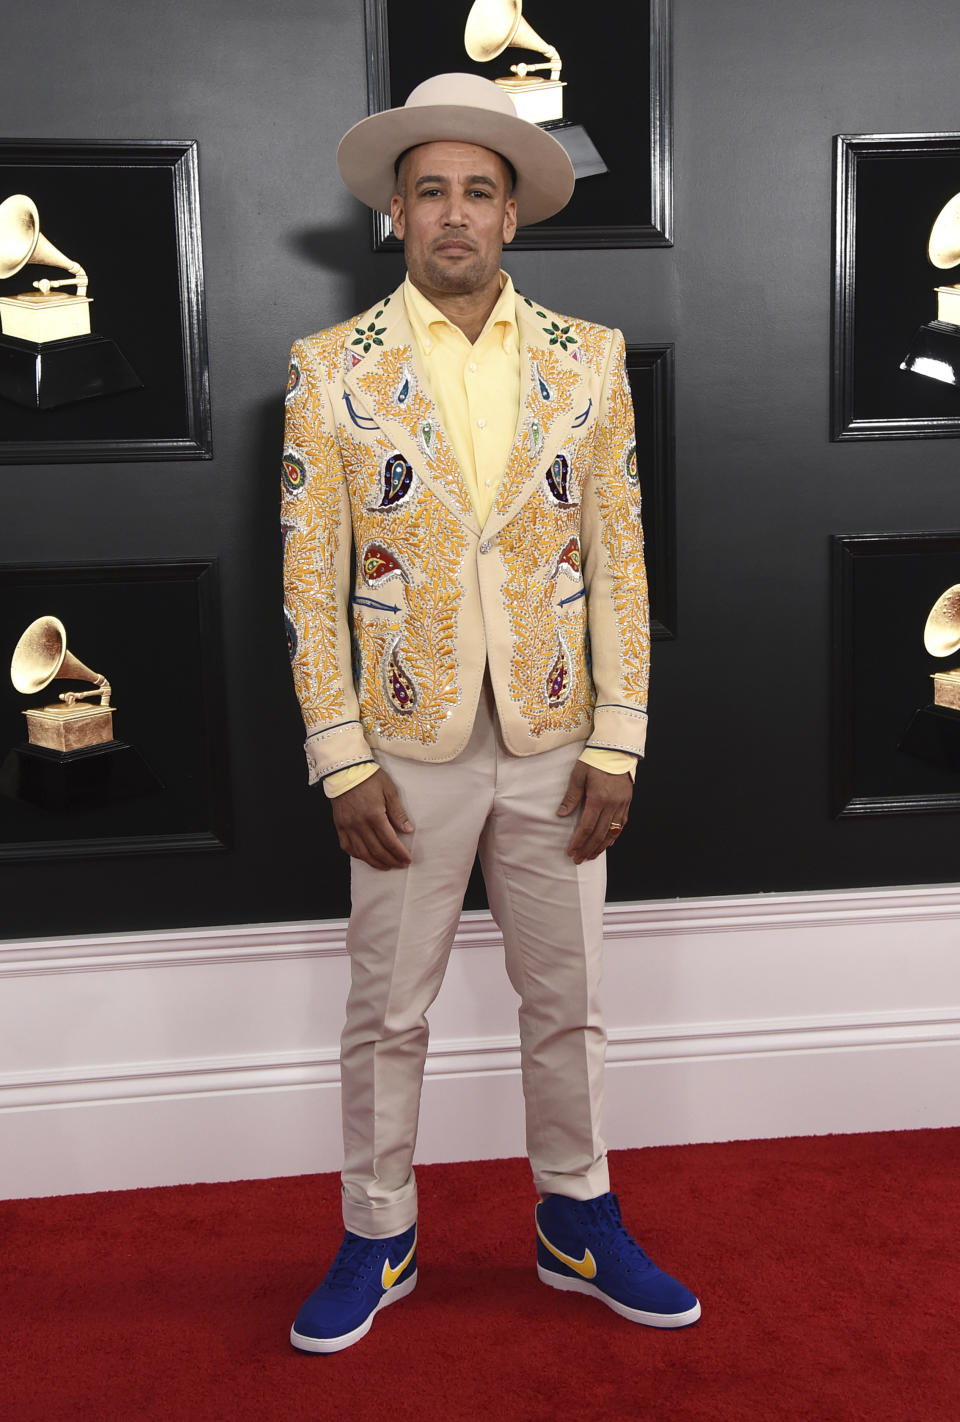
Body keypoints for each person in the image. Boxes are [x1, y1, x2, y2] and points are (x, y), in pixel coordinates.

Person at [281, 72, 700, 1354]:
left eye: (478, 192)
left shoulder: (589, 362)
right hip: (400, 753)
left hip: (559, 739)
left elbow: (618, 556)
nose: (454, 215)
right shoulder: (329, 370)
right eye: (430, 193)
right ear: (396, 216)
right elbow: (310, 575)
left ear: (511, 217)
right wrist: (341, 760)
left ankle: (578, 1219)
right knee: (386, 1009)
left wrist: (620, 736)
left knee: (565, 1000)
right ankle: (378, 1231)